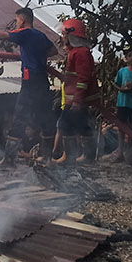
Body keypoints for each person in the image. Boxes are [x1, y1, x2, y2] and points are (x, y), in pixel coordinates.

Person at [0, 7, 58, 164]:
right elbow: (53, 50)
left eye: (17, 20)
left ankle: (9, 160)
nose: (16, 23)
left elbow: (3, 35)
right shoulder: (40, 35)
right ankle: (46, 158)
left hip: (30, 81)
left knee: (20, 117)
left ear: (23, 20)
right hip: (42, 80)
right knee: (45, 117)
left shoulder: (25, 33)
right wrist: (36, 54)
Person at [55, 18, 100, 165]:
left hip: (75, 99)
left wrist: (77, 100)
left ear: (71, 35)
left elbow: (83, 78)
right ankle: (87, 157)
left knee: (64, 125)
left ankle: (69, 157)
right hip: (74, 98)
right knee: (81, 125)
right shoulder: (76, 51)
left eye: (64, 34)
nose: (62, 37)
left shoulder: (81, 53)